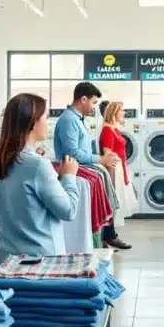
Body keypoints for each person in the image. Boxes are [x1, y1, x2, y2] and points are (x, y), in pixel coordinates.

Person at [0, 93, 80, 265]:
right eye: (46, 117)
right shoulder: (38, 165)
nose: (48, 123)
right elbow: (68, 211)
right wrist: (69, 176)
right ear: (33, 122)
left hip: (6, 260)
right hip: (40, 261)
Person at [54, 82, 119, 171]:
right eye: (93, 102)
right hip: (74, 173)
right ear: (84, 99)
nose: (94, 107)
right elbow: (71, 154)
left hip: (79, 170)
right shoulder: (69, 120)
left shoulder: (78, 119)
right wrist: (100, 159)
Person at [98, 101, 134, 251]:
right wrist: (113, 176)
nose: (124, 113)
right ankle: (109, 237)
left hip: (119, 168)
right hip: (113, 171)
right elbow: (108, 154)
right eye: (121, 111)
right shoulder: (107, 130)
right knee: (112, 203)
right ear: (113, 113)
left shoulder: (114, 129)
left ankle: (110, 236)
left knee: (114, 204)